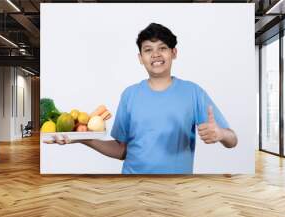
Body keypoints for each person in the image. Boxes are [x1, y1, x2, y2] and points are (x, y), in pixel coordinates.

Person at [51, 23, 237, 174]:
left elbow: (233, 139)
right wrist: (81, 138)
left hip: (178, 189)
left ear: (174, 53)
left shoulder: (193, 92)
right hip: (133, 186)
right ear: (140, 57)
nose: (155, 54)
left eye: (162, 48)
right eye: (148, 50)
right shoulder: (130, 94)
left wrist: (220, 134)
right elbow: (121, 150)